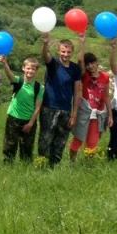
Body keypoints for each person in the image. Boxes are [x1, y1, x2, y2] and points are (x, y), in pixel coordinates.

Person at [39, 33, 83, 166]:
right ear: (59, 51)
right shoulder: (53, 64)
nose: (66, 54)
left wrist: (74, 114)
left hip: (66, 110)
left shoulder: (75, 69)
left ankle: (54, 166)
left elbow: (77, 92)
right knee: (45, 139)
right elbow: (45, 56)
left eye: (69, 52)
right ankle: (41, 165)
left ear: (72, 52)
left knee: (61, 141)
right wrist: (45, 44)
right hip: (49, 108)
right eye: (63, 51)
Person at [0, 56, 43, 162]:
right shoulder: (18, 81)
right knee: (9, 146)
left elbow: (38, 107)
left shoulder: (39, 87)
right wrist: (5, 63)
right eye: (28, 68)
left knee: (27, 148)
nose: (30, 71)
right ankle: (8, 167)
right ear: (23, 68)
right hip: (13, 118)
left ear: (36, 71)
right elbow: (9, 75)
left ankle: (25, 168)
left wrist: (31, 124)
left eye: (33, 69)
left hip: (29, 121)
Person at [70, 52, 110, 161]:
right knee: (77, 140)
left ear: (97, 62)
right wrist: (82, 42)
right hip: (85, 113)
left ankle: (88, 165)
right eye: (87, 64)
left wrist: (110, 116)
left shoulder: (105, 77)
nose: (90, 66)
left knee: (92, 143)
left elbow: (106, 97)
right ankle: (72, 162)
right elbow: (80, 61)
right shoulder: (84, 76)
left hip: (98, 114)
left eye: (92, 63)